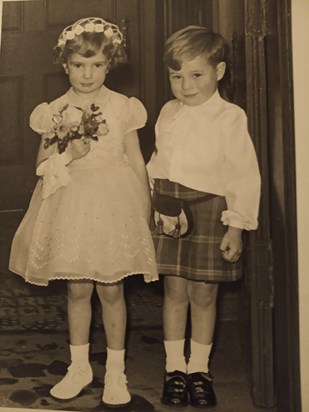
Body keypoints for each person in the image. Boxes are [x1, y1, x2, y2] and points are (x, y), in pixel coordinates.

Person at [9, 17, 158, 408]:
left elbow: (136, 161)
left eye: (95, 65)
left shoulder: (124, 107)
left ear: (110, 64)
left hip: (113, 203)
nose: (87, 73)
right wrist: (67, 154)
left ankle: (115, 370)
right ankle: (78, 367)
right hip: (71, 201)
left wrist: (144, 209)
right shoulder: (55, 110)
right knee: (77, 288)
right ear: (65, 65)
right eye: (78, 65)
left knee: (111, 288)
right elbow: (43, 164)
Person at [147, 25, 261, 408]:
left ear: (220, 71)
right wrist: (147, 198)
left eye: (197, 75)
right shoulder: (167, 111)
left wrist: (236, 226)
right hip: (169, 207)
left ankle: (199, 369)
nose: (186, 85)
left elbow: (243, 174)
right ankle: (174, 368)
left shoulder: (230, 117)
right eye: (176, 76)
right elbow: (157, 162)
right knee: (174, 291)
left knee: (204, 294)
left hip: (211, 208)